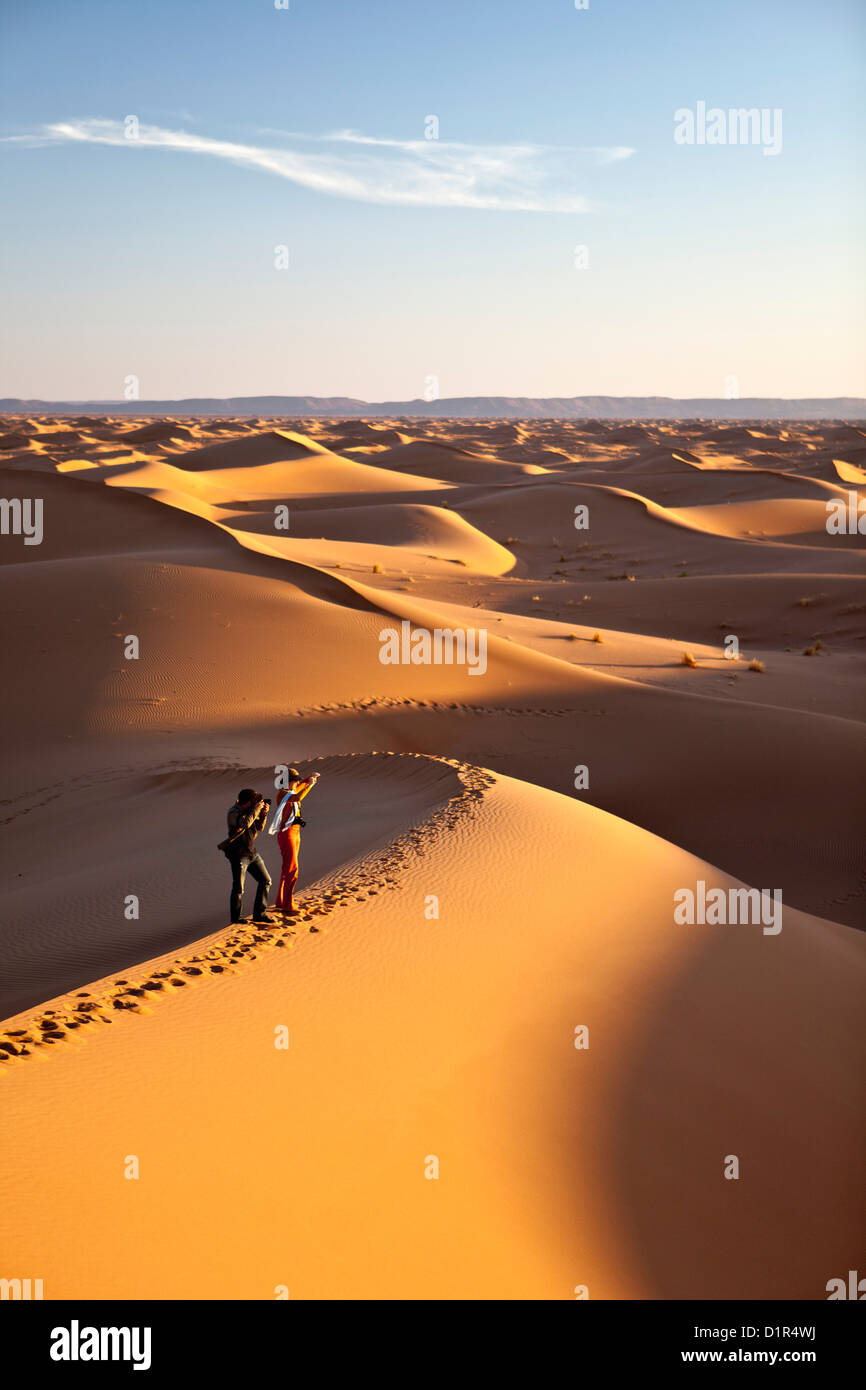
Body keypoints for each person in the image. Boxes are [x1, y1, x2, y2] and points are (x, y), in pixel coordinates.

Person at [268, 768, 321, 915]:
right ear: (288, 782)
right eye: (294, 780)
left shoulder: (290, 790)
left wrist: (309, 779)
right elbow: (297, 797)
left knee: (287, 868)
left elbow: (299, 787)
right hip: (287, 833)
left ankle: (281, 901)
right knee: (292, 869)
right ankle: (288, 905)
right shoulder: (284, 794)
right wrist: (309, 785)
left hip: (295, 832)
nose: (297, 782)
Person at [224, 788, 276, 924]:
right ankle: (235, 919)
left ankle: (260, 914)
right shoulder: (233, 813)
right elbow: (246, 824)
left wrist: (264, 813)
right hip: (238, 855)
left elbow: (259, 827)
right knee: (239, 888)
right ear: (247, 803)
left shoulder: (251, 810)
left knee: (266, 880)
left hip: (252, 852)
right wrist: (256, 809)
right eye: (254, 801)